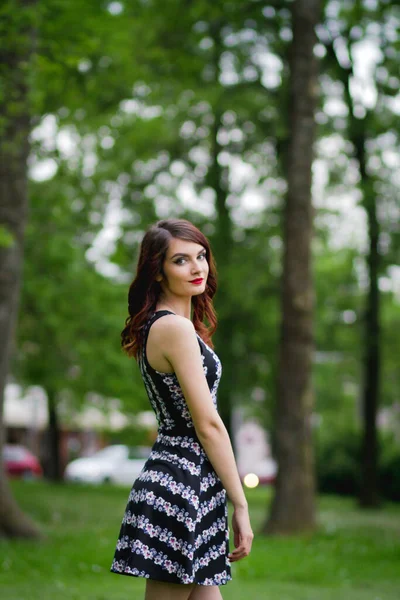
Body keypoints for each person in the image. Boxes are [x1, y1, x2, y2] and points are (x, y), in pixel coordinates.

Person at [110, 218, 253, 600]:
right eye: (181, 260)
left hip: (196, 486)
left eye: (201, 256)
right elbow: (207, 424)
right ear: (157, 271)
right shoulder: (173, 329)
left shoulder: (174, 327)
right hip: (179, 489)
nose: (197, 267)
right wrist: (240, 503)